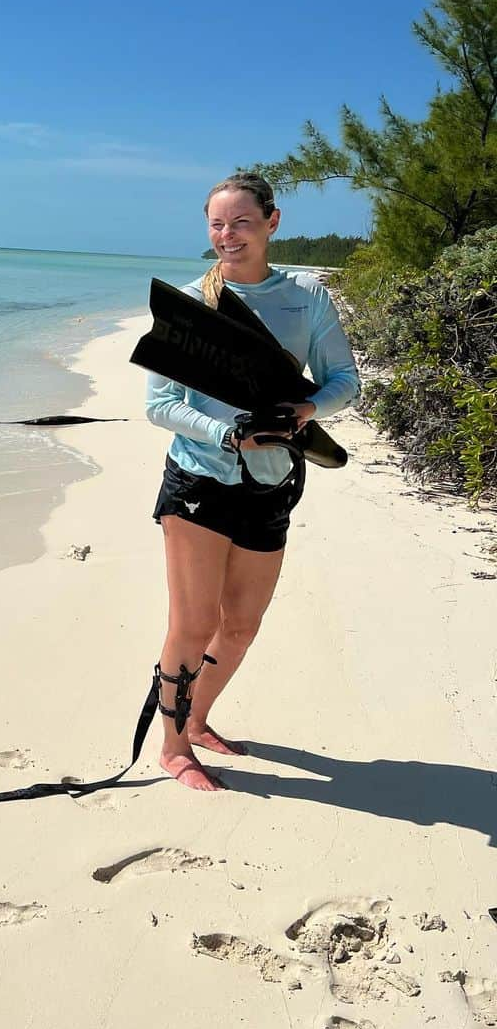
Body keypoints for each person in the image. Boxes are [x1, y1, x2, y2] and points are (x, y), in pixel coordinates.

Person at [145, 172, 360, 791]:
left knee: (240, 625)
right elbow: (161, 403)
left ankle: (199, 717)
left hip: (272, 481)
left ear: (272, 222)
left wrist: (307, 410)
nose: (227, 235)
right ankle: (174, 745)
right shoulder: (191, 305)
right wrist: (226, 434)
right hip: (199, 480)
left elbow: (343, 380)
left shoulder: (306, 299)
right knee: (192, 624)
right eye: (216, 223)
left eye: (240, 221)